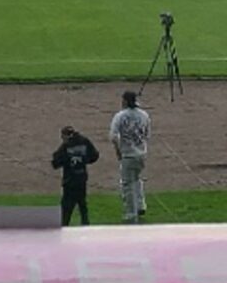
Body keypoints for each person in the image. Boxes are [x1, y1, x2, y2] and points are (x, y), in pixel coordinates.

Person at [110, 91, 152, 224]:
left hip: (128, 154)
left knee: (127, 184)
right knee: (137, 179)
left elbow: (113, 136)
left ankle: (131, 213)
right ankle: (141, 205)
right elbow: (147, 134)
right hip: (141, 153)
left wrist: (118, 151)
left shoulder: (120, 116)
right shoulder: (144, 115)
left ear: (125, 101)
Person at [51, 126, 101, 226]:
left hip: (69, 181)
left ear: (65, 135)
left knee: (66, 208)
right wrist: (85, 160)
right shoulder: (84, 141)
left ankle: (64, 227)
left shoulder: (66, 146)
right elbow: (94, 155)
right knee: (82, 206)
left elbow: (56, 162)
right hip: (82, 178)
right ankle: (85, 226)